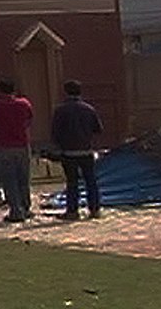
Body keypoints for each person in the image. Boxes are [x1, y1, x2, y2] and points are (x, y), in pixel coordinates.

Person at [51, 80, 104, 220]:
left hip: (68, 152)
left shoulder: (60, 110)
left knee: (72, 182)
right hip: (86, 151)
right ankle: (94, 209)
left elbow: (55, 132)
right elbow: (98, 129)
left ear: (65, 92)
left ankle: (72, 211)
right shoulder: (89, 109)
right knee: (90, 181)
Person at [0, 79, 34, 223]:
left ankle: (16, 210)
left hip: (3, 145)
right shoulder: (24, 104)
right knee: (23, 178)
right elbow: (29, 120)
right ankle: (25, 207)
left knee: (8, 179)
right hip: (22, 144)